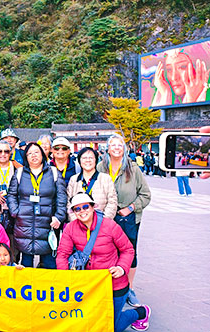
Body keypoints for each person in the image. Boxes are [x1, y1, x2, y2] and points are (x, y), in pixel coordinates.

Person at [57, 193, 151, 332]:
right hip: (89, 286)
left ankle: (141, 312)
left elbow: (128, 250)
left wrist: (121, 268)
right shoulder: (71, 228)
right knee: (90, 323)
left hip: (114, 284)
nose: (82, 211)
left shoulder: (109, 225)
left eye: (85, 207)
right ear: (74, 212)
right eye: (77, 209)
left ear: (93, 207)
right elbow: (62, 254)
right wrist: (66, 276)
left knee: (111, 327)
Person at [97, 134, 151, 307]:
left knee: (129, 252)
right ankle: (110, 287)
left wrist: (131, 208)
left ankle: (129, 288)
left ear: (124, 148)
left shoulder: (133, 169)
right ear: (107, 148)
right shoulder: (100, 167)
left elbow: (146, 195)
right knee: (106, 251)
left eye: (119, 145)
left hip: (128, 218)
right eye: (113, 145)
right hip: (105, 217)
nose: (116, 148)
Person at [7, 142, 67, 268]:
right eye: (29, 153)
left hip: (48, 223)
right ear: (26, 157)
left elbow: (62, 198)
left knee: (49, 264)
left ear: (42, 154)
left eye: (36, 152)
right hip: (25, 223)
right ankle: (26, 288)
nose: (33, 156)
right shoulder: (19, 173)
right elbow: (11, 194)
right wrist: (15, 212)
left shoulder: (54, 172)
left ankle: (49, 288)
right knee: (26, 263)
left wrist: (59, 217)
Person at [66, 147, 118, 221]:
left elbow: (112, 202)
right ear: (79, 161)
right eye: (84, 158)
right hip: (79, 225)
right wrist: (76, 221)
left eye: (91, 157)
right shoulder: (74, 180)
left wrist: (103, 222)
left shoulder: (106, 178)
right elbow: (69, 203)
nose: (88, 160)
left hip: (102, 224)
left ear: (96, 160)